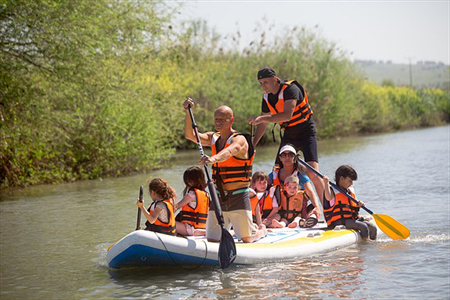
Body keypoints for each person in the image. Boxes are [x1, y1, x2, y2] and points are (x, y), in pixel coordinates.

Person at [183, 98, 267, 243]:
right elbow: (190, 135)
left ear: (231, 120)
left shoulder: (240, 140)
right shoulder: (213, 137)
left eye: (222, 119)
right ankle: (233, 230)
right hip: (218, 196)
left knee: (247, 239)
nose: (218, 122)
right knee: (212, 239)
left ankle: (260, 231)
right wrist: (187, 112)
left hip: (239, 196)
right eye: (216, 119)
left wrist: (212, 159)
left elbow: (229, 151)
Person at [247, 66, 324, 203]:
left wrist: (262, 118)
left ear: (275, 79)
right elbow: (263, 124)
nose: (263, 86)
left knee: (313, 172)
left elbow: (287, 115)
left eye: (266, 82)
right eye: (261, 83)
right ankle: (275, 209)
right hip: (289, 135)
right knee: (277, 172)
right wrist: (253, 144)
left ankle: (328, 209)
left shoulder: (290, 89)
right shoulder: (266, 98)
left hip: (306, 132)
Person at [322, 165, 377, 240]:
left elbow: (354, 204)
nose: (351, 184)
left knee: (372, 227)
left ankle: (372, 245)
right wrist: (325, 184)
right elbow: (328, 197)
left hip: (350, 219)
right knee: (363, 227)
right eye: (350, 181)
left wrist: (359, 204)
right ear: (341, 179)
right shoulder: (332, 191)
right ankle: (365, 246)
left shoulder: (349, 191)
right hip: (339, 221)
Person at [269, 144, 322, 220]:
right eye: (284, 155)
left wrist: (317, 207)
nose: (287, 158)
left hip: (298, 213)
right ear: (280, 158)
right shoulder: (273, 174)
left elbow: (310, 192)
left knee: (312, 211)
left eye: (290, 155)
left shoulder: (300, 174)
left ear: (294, 158)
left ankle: (309, 218)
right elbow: (260, 186)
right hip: (279, 213)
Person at [174, 166, 209, 236]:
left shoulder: (192, 194)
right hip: (202, 226)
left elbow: (176, 207)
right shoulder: (205, 194)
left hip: (191, 228)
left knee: (167, 222)